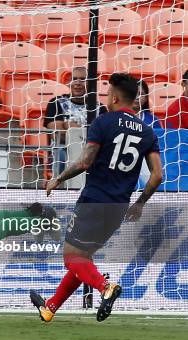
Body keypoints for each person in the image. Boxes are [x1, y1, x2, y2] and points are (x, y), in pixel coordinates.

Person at [31, 73, 163, 323]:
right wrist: (140, 203)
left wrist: (58, 179)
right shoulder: (147, 133)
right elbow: (157, 176)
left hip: (94, 200)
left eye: (107, 93)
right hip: (119, 206)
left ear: (114, 97)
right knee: (84, 257)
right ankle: (50, 308)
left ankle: (105, 287)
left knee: (72, 257)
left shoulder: (103, 122)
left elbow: (85, 161)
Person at [45, 67, 108, 173]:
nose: (78, 83)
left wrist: (69, 126)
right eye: (74, 79)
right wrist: (87, 131)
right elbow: (57, 135)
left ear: (90, 83)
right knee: (60, 153)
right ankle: (59, 186)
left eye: (82, 79)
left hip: (91, 151)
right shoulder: (56, 103)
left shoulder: (100, 108)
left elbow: (102, 137)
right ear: (69, 82)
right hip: (65, 149)